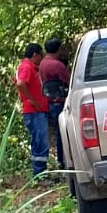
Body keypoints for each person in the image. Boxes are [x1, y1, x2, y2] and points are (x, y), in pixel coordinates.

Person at [15, 43, 49, 177]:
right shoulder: (26, 67)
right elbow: (20, 83)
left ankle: (40, 172)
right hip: (34, 112)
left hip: (36, 112)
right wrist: (31, 99)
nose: (42, 58)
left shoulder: (30, 67)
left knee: (39, 141)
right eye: (41, 55)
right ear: (35, 55)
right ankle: (39, 173)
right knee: (40, 142)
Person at [40, 36, 71, 168]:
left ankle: (61, 160)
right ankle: (65, 159)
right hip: (61, 101)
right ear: (58, 49)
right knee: (65, 132)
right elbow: (69, 83)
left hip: (51, 102)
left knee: (59, 132)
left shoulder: (42, 64)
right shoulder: (58, 65)